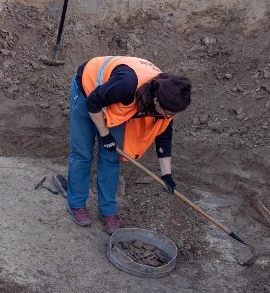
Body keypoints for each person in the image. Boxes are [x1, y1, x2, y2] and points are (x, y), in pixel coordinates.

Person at [66, 56, 192, 234]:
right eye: (169, 113)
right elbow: (93, 102)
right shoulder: (127, 84)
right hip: (88, 91)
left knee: (111, 158)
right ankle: (77, 204)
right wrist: (105, 134)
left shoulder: (168, 101)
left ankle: (108, 211)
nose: (170, 116)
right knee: (82, 153)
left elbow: (163, 136)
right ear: (156, 101)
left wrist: (167, 175)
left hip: (114, 102)